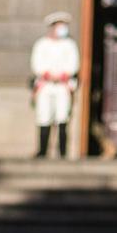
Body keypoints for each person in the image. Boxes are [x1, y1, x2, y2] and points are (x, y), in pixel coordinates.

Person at [30, 12, 79, 158]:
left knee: (62, 116)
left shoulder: (70, 45)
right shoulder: (41, 44)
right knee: (44, 116)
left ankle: (63, 152)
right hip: (46, 85)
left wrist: (62, 75)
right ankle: (42, 150)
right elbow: (36, 64)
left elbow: (73, 64)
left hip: (63, 85)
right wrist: (48, 74)